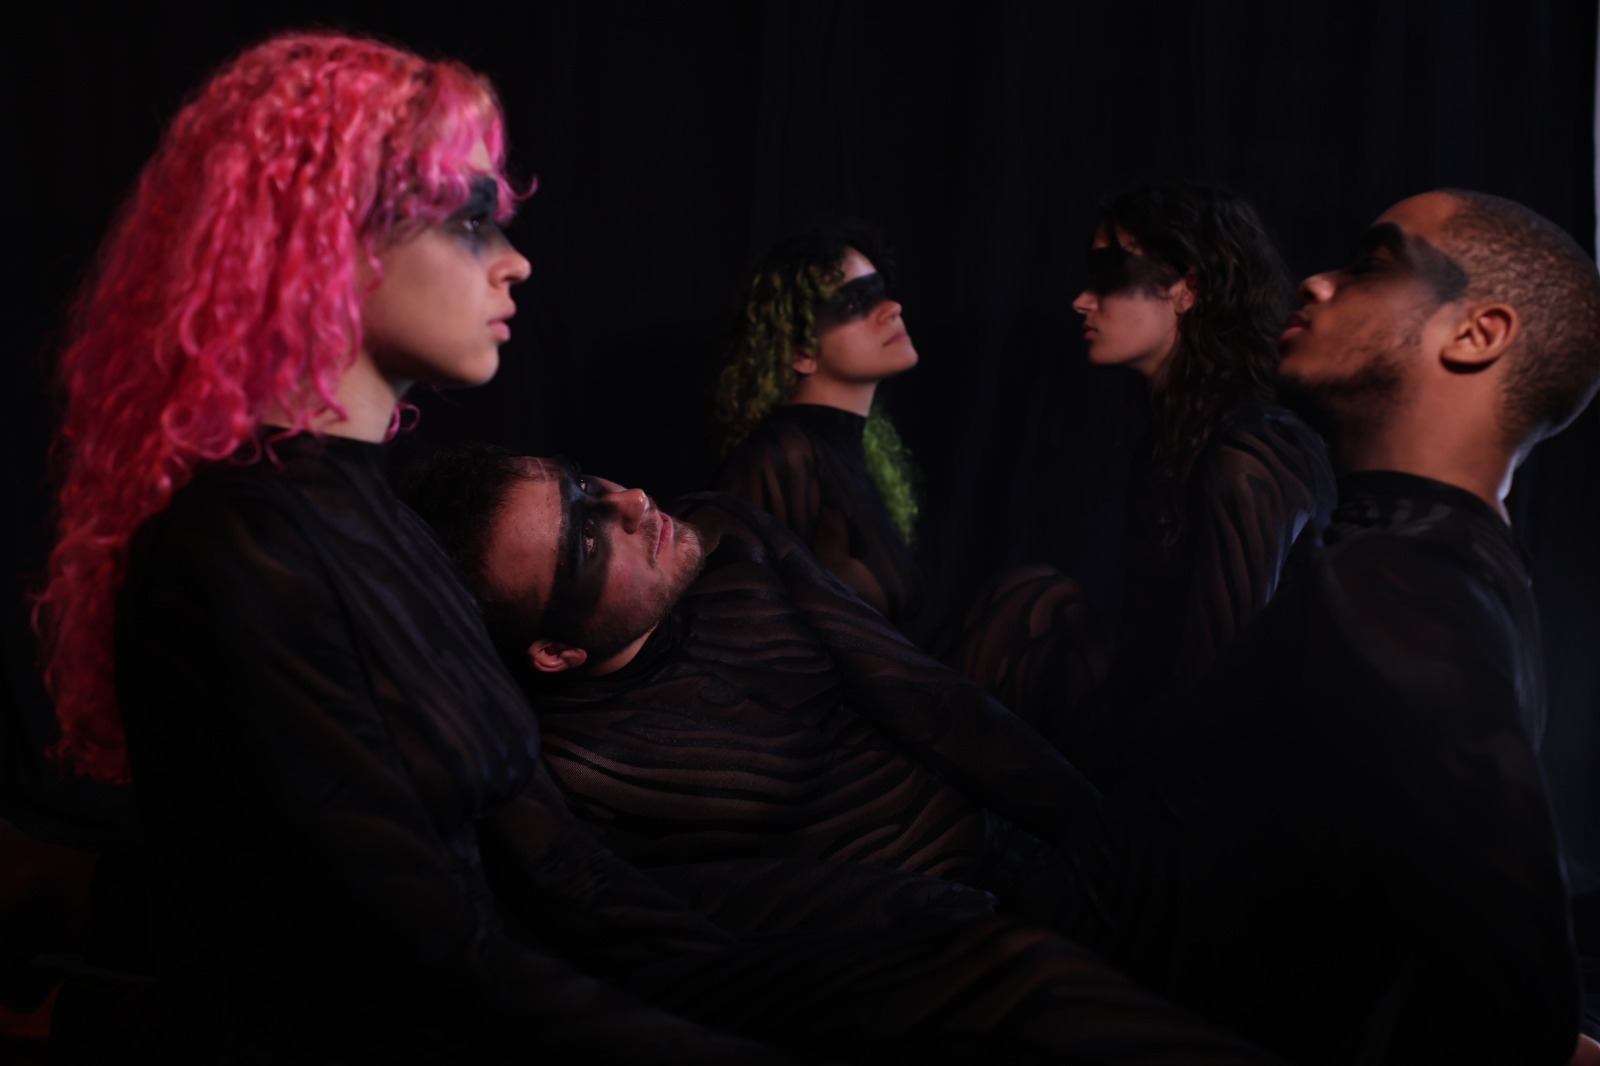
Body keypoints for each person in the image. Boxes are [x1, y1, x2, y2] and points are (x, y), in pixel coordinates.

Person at [29, 30, 1285, 1065]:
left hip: (520, 976)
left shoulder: (373, 516)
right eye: (470, 223)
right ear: (326, 240)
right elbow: (433, 955)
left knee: (984, 960)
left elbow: (555, 866)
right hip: (402, 1031)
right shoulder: (240, 552)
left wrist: (791, 968)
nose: (514, 260)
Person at [1047, 189, 1600, 1064]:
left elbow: (1519, 992)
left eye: (1372, 266)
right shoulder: (1426, 556)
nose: (1315, 282)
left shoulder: (1400, 584)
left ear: (1478, 334)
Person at [1045, 184, 1335, 783]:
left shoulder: (1252, 449)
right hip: (1161, 741)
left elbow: (1220, 699)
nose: (1081, 300)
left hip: (1225, 784)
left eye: (1110, 271)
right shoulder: (1171, 443)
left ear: (1188, 288)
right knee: (1041, 609)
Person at [713, 225, 926, 630]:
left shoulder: (847, 453)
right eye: (856, 302)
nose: (892, 307)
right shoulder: (784, 454)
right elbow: (742, 627)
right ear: (800, 351)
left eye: (881, 290)